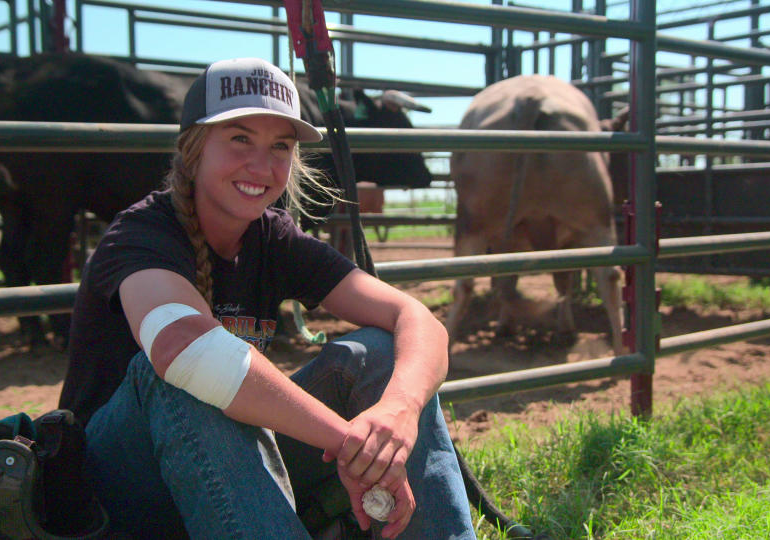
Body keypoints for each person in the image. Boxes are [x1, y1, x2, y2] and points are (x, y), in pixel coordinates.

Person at [58, 57, 475, 539]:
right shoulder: (140, 233)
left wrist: (397, 414)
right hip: (118, 490)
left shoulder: (273, 236)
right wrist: (352, 446)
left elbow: (416, 319)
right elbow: (182, 348)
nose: (262, 165)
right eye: (239, 139)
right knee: (177, 376)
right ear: (193, 149)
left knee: (377, 352)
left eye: (280, 146)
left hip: (220, 473)